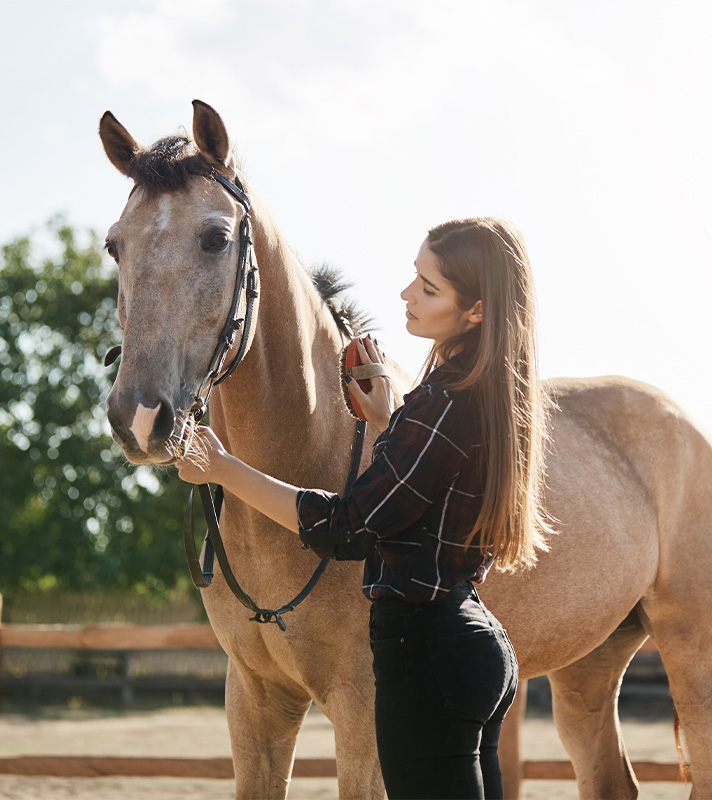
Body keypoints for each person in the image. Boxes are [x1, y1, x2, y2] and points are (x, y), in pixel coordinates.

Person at [176, 217, 553, 799]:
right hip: (467, 644)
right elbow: (423, 490)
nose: (407, 295)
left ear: (475, 311)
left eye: (429, 289)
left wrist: (223, 469)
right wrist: (385, 422)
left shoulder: (444, 405)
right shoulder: (478, 398)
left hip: (427, 657)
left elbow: (346, 527)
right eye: (414, 278)